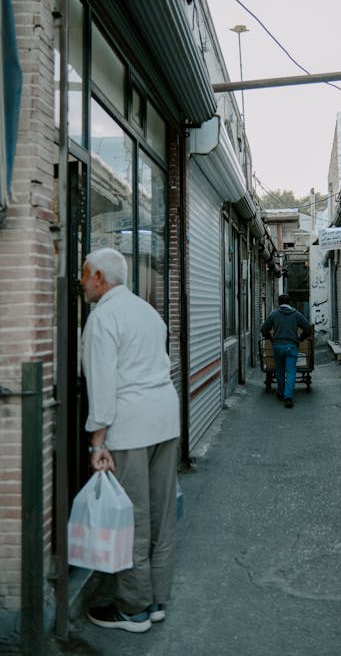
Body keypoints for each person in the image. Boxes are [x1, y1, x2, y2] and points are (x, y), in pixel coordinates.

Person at [80, 247, 180, 634]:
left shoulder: (102, 318)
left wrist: (96, 443)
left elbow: (102, 388)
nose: (82, 281)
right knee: (161, 514)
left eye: (85, 274)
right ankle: (156, 600)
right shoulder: (147, 312)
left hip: (131, 427)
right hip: (164, 421)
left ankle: (133, 609)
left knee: (133, 518)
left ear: (100, 278)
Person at [261, 293, 311, 408]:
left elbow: (264, 330)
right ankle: (288, 397)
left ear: (279, 303)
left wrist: (271, 338)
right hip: (292, 346)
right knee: (291, 371)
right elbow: (308, 328)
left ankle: (281, 393)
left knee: (279, 370)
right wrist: (300, 338)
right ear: (290, 303)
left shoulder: (274, 314)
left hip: (278, 346)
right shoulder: (296, 315)